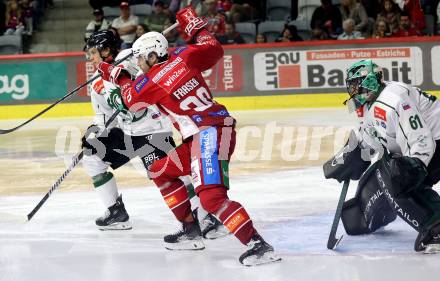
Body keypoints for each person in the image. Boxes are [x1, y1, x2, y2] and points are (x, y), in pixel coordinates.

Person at [96, 6, 281, 266]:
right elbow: (213, 48)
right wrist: (194, 26)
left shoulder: (153, 79)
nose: (138, 64)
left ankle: (258, 245)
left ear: (152, 55)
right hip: (213, 132)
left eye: (140, 59)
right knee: (160, 170)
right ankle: (190, 231)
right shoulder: (184, 56)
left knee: (211, 198)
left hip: (208, 135)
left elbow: (128, 100)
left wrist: (117, 74)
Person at [82, 30, 227, 239]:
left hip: (154, 130)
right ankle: (116, 212)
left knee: (169, 175)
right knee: (92, 157)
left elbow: (154, 75)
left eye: (93, 53)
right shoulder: (98, 83)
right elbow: (103, 116)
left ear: (106, 50)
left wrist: (126, 70)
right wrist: (94, 132)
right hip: (127, 133)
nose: (90, 58)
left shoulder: (133, 58)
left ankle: (205, 218)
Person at [324, 59, 440, 254]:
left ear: (368, 81)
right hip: (423, 146)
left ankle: (436, 224)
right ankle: (363, 214)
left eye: (355, 84)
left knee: (397, 176)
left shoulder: (394, 100)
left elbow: (421, 139)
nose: (352, 90)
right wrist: (348, 158)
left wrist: (413, 166)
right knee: (384, 173)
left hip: (434, 145)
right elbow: (370, 138)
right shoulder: (370, 104)